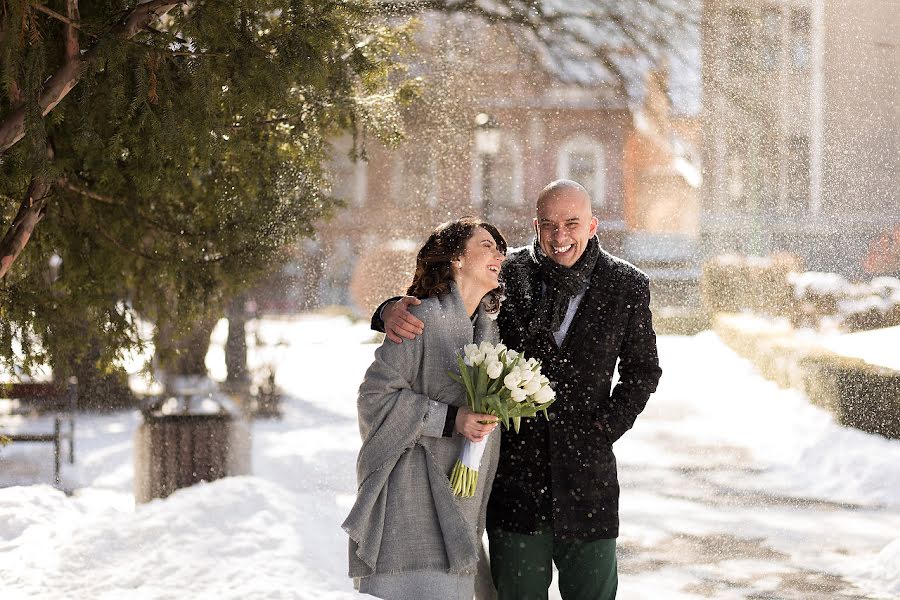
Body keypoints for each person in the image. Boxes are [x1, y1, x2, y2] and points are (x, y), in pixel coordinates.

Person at [374, 180, 662, 600]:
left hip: (588, 482)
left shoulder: (626, 284)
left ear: (593, 225)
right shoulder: (506, 273)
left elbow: (643, 370)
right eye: (549, 225)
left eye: (572, 224)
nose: (559, 236)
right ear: (536, 225)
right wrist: (388, 309)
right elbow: (443, 301)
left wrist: (605, 428)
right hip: (514, 479)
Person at [343, 217, 509, 600]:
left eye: (499, 247)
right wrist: (452, 420)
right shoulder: (420, 319)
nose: (498, 254)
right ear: (456, 259)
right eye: (486, 246)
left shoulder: (488, 328)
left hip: (461, 501)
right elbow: (374, 398)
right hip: (413, 503)